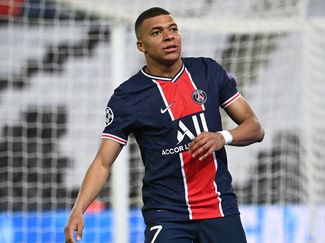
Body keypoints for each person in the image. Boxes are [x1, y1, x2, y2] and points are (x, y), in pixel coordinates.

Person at [64, 6, 264, 243]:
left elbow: (254, 127)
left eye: (173, 29)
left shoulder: (208, 71)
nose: (169, 36)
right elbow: (103, 161)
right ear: (141, 45)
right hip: (167, 214)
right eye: (157, 32)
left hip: (220, 208)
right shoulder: (128, 97)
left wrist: (223, 136)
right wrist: (79, 209)